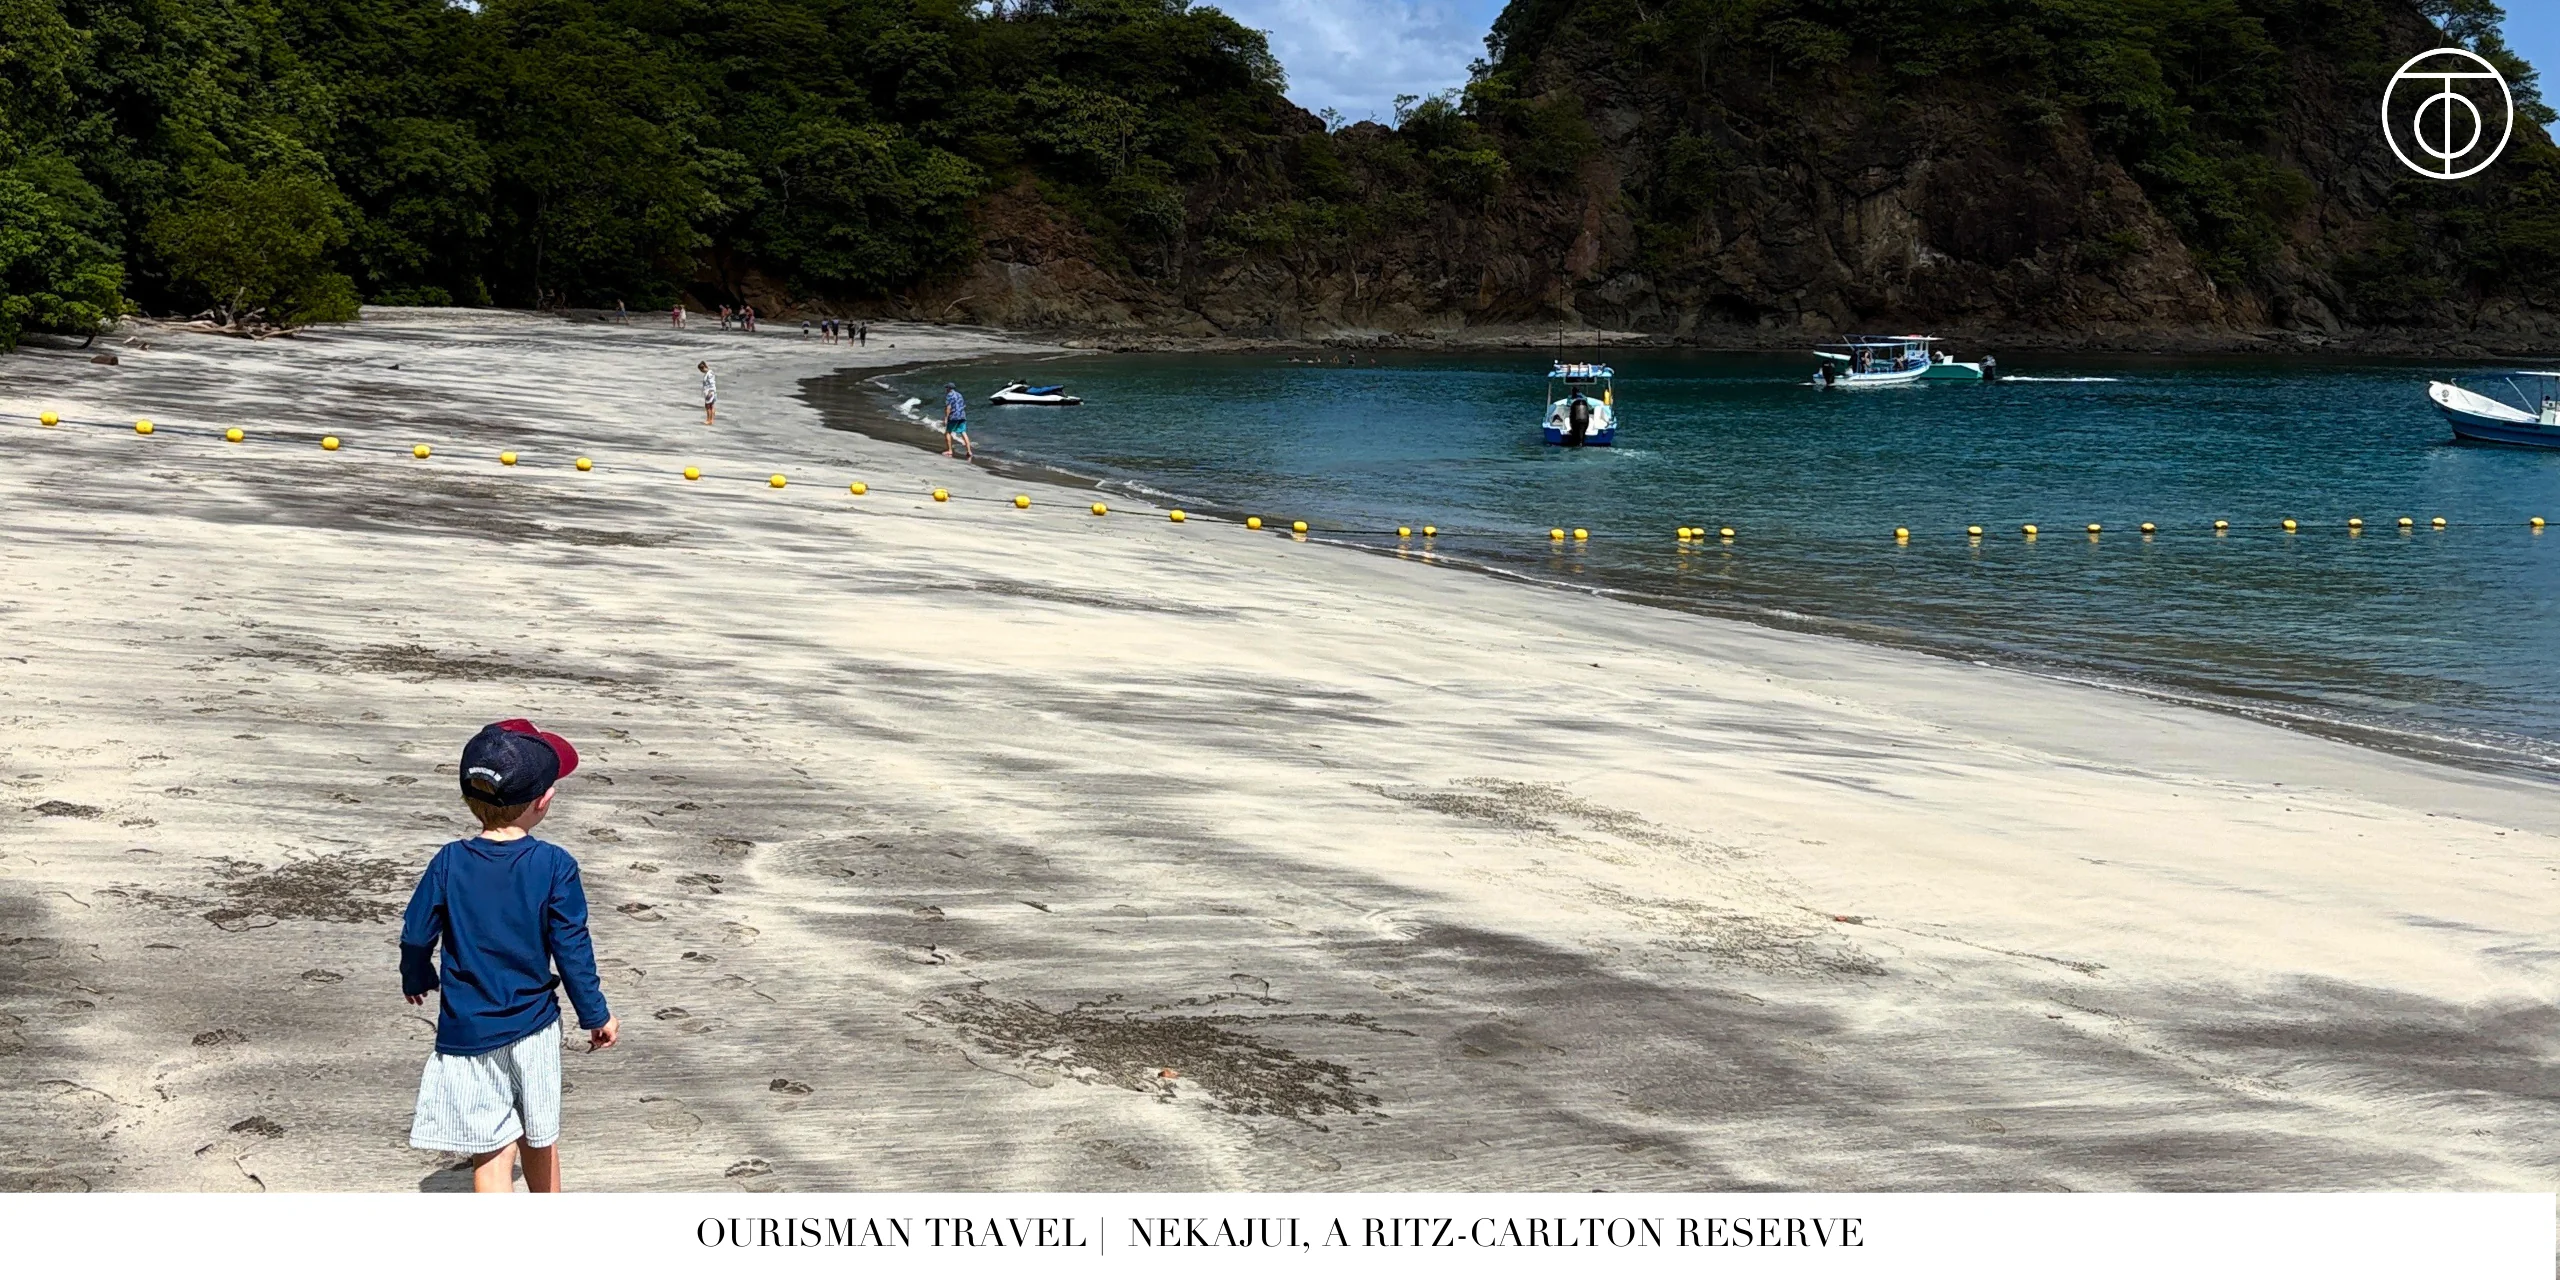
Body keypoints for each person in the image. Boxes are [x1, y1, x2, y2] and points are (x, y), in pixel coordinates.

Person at [400, 719, 618, 1194]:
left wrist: (416, 975)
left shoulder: (448, 861)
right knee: (541, 1136)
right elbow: (572, 948)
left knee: (492, 1149)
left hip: (468, 1028)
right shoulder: (554, 865)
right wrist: (595, 1014)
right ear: (544, 801)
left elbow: (416, 933)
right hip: (533, 1026)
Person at [941, 381, 971, 460]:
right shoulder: (959, 395)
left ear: (949, 388)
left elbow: (948, 407)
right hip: (962, 415)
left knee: (948, 432)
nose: (946, 389)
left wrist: (946, 418)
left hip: (954, 416)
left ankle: (950, 450)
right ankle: (969, 451)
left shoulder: (949, 396)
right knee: (963, 432)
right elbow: (963, 405)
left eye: (946, 388)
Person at [700, 361, 716, 425]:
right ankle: (711, 420)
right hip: (711, 391)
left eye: (701, 370)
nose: (701, 371)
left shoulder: (709, 374)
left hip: (710, 392)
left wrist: (710, 392)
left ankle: (709, 420)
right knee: (711, 406)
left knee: (708, 406)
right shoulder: (709, 373)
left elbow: (711, 383)